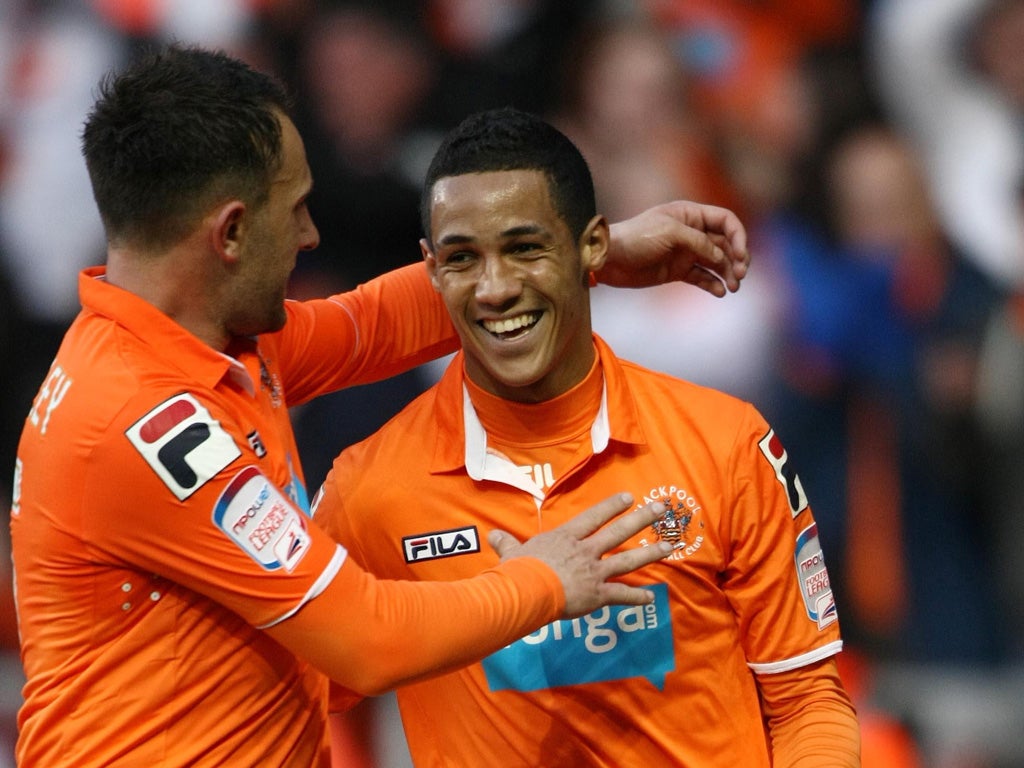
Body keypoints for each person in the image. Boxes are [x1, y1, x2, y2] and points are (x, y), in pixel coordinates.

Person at [7, 45, 752, 768]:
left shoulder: (206, 343)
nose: (311, 234)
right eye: (295, 209)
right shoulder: (142, 426)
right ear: (230, 232)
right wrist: (546, 580)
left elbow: (370, 326)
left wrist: (584, 254)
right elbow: (366, 637)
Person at [314, 107, 859, 767]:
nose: (496, 289)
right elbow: (288, 699)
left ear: (594, 246)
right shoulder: (369, 488)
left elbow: (806, 699)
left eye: (525, 248)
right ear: (430, 270)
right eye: (463, 258)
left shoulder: (726, 445)